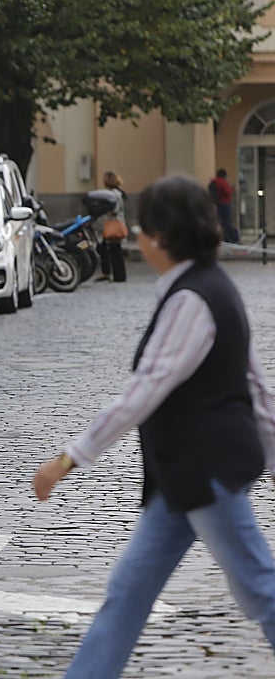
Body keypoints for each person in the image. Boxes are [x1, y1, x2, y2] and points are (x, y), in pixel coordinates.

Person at [32, 175, 275, 678]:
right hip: (181, 478)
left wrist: (68, 459)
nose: (137, 234)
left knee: (261, 590)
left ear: (160, 237)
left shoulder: (191, 299)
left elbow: (145, 390)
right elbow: (257, 389)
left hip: (205, 473)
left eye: (142, 226)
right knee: (128, 592)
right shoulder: (209, 288)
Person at [97, 171, 127, 282]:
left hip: (113, 224)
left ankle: (119, 275)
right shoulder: (117, 193)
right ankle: (108, 272)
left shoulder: (114, 194)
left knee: (115, 249)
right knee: (105, 248)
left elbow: (114, 210)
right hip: (112, 223)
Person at [209, 168, 240, 243]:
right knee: (227, 222)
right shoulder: (222, 182)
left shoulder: (214, 181)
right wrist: (232, 188)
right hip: (225, 203)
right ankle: (233, 238)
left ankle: (226, 237)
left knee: (222, 222)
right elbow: (228, 192)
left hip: (218, 204)